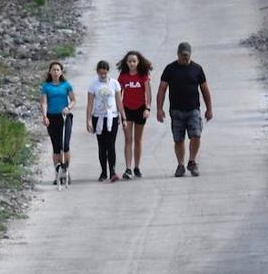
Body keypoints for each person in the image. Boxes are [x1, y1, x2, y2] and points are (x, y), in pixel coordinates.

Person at [155, 42, 213, 177]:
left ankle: (192, 161)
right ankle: (180, 165)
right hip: (176, 111)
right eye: (182, 55)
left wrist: (209, 109)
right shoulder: (170, 69)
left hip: (193, 109)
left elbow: (205, 89)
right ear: (178, 54)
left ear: (190, 54)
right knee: (178, 139)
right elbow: (162, 89)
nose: (185, 58)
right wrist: (159, 109)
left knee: (196, 135)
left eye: (187, 55)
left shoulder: (197, 69)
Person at [116, 50, 153, 179]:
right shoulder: (123, 76)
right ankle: (128, 168)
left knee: (137, 140)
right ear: (126, 63)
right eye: (130, 61)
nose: (132, 63)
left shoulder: (143, 75)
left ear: (138, 62)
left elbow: (148, 93)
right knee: (128, 139)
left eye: (134, 61)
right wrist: (119, 111)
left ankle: (137, 167)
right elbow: (118, 94)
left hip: (140, 109)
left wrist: (147, 108)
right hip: (126, 110)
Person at [86, 59, 124, 182]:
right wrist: (89, 120)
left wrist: (123, 117)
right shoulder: (93, 85)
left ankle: (112, 171)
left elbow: (119, 102)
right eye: (100, 73)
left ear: (108, 72)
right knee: (102, 146)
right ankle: (103, 172)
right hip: (98, 117)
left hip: (112, 117)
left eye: (105, 73)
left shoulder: (114, 83)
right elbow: (90, 104)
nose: (103, 75)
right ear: (97, 72)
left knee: (111, 145)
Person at [40, 61, 76, 185]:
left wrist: (68, 108)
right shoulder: (46, 86)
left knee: (65, 145)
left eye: (58, 70)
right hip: (51, 117)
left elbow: (73, 100)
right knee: (56, 147)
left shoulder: (66, 85)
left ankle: (66, 171)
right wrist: (44, 116)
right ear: (50, 72)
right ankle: (58, 174)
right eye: (53, 70)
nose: (55, 72)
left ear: (61, 72)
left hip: (65, 117)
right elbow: (44, 102)